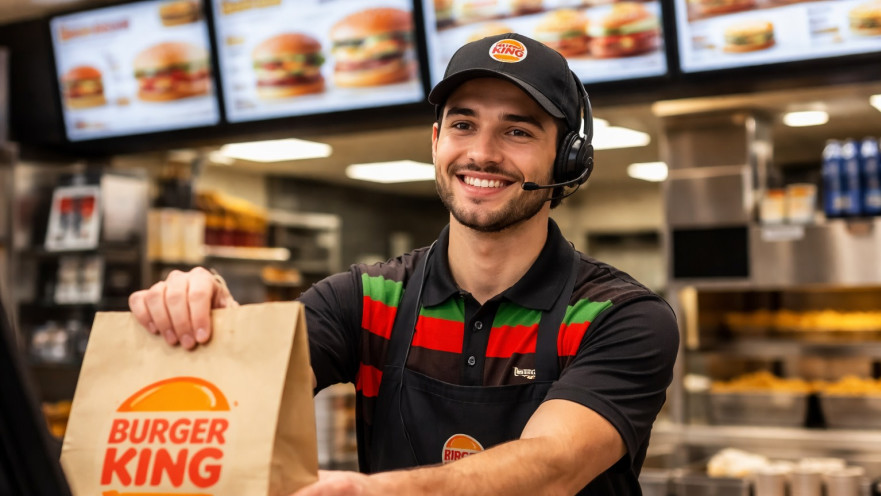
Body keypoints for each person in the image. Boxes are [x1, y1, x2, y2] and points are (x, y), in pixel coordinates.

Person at [128, 33, 679, 495]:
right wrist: (213, 330)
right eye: (463, 125)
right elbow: (240, 397)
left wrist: (374, 490)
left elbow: (552, 467)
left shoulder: (621, 315)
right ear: (437, 141)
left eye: (518, 130)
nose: (482, 152)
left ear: (566, 158)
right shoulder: (362, 299)